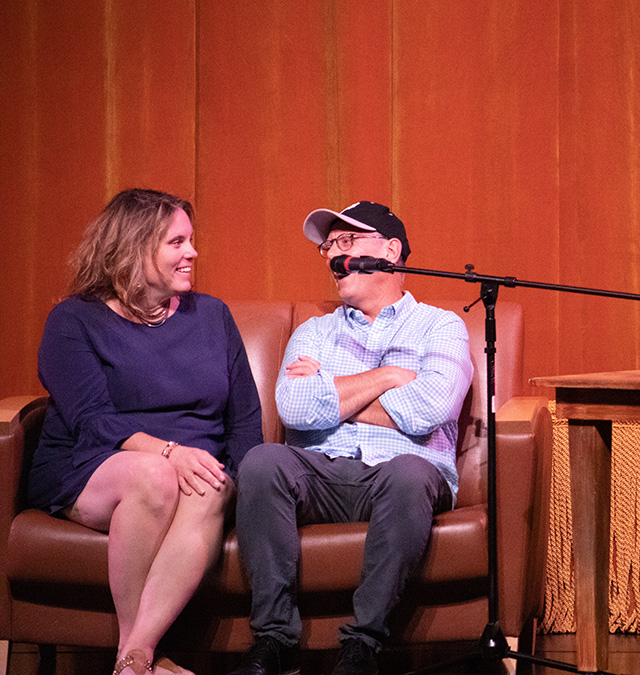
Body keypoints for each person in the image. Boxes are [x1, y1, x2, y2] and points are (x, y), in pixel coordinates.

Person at [229, 201, 473, 675]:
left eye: (346, 242)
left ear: (390, 250)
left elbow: (432, 407)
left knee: (408, 473)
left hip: (404, 473)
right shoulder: (315, 331)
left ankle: (363, 645)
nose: (331, 257)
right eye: (327, 247)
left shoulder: (441, 326)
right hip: (323, 472)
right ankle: (274, 642)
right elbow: (294, 408)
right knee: (263, 462)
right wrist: (388, 376)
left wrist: (333, 395)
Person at [28, 189, 263, 675]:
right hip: (96, 464)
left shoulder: (213, 315)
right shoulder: (73, 321)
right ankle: (142, 662)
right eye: (177, 242)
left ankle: (134, 658)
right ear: (134, 248)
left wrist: (249, 485)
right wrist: (169, 453)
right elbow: (94, 420)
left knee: (211, 482)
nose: (192, 253)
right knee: (153, 476)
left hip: (194, 468)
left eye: (191, 240)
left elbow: (243, 418)